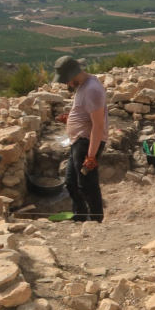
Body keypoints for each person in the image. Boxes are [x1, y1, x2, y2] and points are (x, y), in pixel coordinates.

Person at [54, 56, 108, 223]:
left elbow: (98, 125)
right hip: (78, 141)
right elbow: (86, 112)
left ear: (74, 74)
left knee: (87, 186)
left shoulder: (92, 90)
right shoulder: (85, 84)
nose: (67, 84)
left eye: (67, 80)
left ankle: (95, 222)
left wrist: (91, 156)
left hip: (86, 143)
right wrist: (71, 119)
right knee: (71, 183)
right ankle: (80, 219)